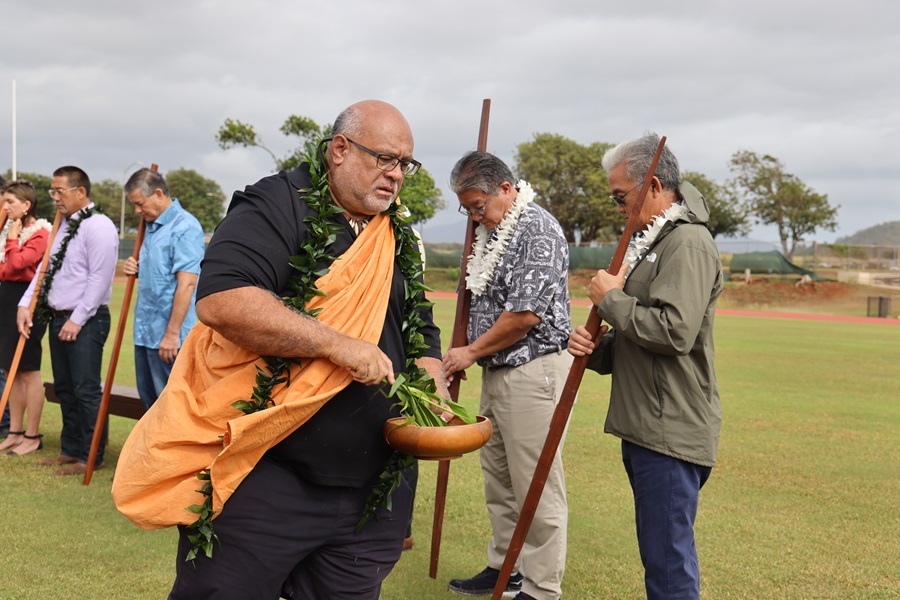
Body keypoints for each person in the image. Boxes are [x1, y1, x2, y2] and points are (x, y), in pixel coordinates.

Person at [112, 99, 447, 600]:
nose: (397, 176)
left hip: (372, 487)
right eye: (385, 159)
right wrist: (340, 346)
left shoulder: (396, 230)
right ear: (339, 149)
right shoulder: (277, 204)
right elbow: (224, 299)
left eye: (406, 164)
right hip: (266, 477)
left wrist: (433, 390)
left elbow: (420, 327)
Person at [568, 133, 723, 600]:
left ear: (653, 185)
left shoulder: (687, 243)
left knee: (668, 566)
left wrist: (611, 301)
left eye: (620, 196)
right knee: (659, 555)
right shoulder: (656, 241)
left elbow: (675, 333)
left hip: (670, 431)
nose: (617, 208)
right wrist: (595, 348)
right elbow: (642, 339)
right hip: (646, 426)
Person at [443, 152, 573, 600]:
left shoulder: (536, 229)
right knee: (498, 477)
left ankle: (540, 589)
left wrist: (468, 352)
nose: (475, 216)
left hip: (533, 370)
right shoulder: (488, 233)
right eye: (467, 209)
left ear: (505, 188)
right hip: (498, 370)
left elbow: (523, 315)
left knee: (535, 481)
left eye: (478, 205)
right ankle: (505, 568)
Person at [16, 166, 118, 475]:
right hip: (57, 317)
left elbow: (99, 279)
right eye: (52, 192)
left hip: (86, 319)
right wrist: (25, 304)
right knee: (64, 387)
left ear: (81, 192)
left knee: (86, 389)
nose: (55, 198)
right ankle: (70, 449)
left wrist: (77, 319)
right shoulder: (61, 225)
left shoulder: (98, 226)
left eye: (60, 191)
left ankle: (92, 455)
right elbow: (45, 270)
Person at [122, 168, 205, 409]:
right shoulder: (148, 226)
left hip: (170, 339)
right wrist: (136, 268)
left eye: (140, 204)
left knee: (171, 408)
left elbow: (187, 283)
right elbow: (159, 275)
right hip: (145, 333)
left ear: (158, 194)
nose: (138, 211)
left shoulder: (185, 227)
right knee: (150, 404)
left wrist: (171, 334)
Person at [0, 180, 52, 455]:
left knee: (29, 370)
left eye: (10, 202)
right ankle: (15, 432)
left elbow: (17, 266)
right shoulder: (8, 229)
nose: (5, 207)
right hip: (6, 300)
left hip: (28, 302)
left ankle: (32, 435)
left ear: (26, 205)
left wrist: (11, 239)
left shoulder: (41, 233)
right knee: (11, 370)